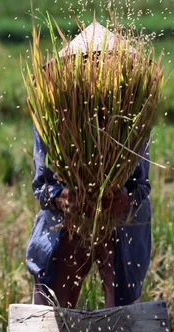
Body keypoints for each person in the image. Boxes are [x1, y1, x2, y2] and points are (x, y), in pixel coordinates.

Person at [26, 124, 152, 309]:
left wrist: (124, 197)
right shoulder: (54, 101)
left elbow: (140, 183)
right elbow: (42, 182)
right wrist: (62, 198)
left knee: (123, 317)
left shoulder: (132, 104)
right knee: (48, 314)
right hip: (66, 220)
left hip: (121, 219)